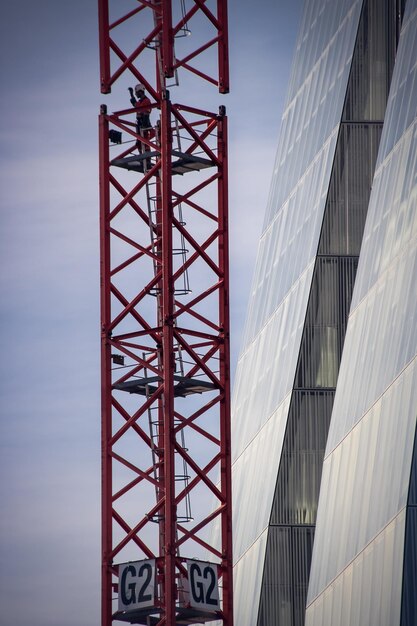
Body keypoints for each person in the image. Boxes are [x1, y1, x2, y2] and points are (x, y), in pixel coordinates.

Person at [128, 84, 152, 157]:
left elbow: (146, 113)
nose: (136, 94)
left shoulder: (146, 101)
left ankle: (147, 158)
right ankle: (142, 157)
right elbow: (135, 104)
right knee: (139, 142)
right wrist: (131, 94)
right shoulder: (140, 102)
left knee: (145, 142)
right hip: (139, 124)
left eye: (136, 92)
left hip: (144, 123)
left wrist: (144, 125)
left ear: (140, 92)